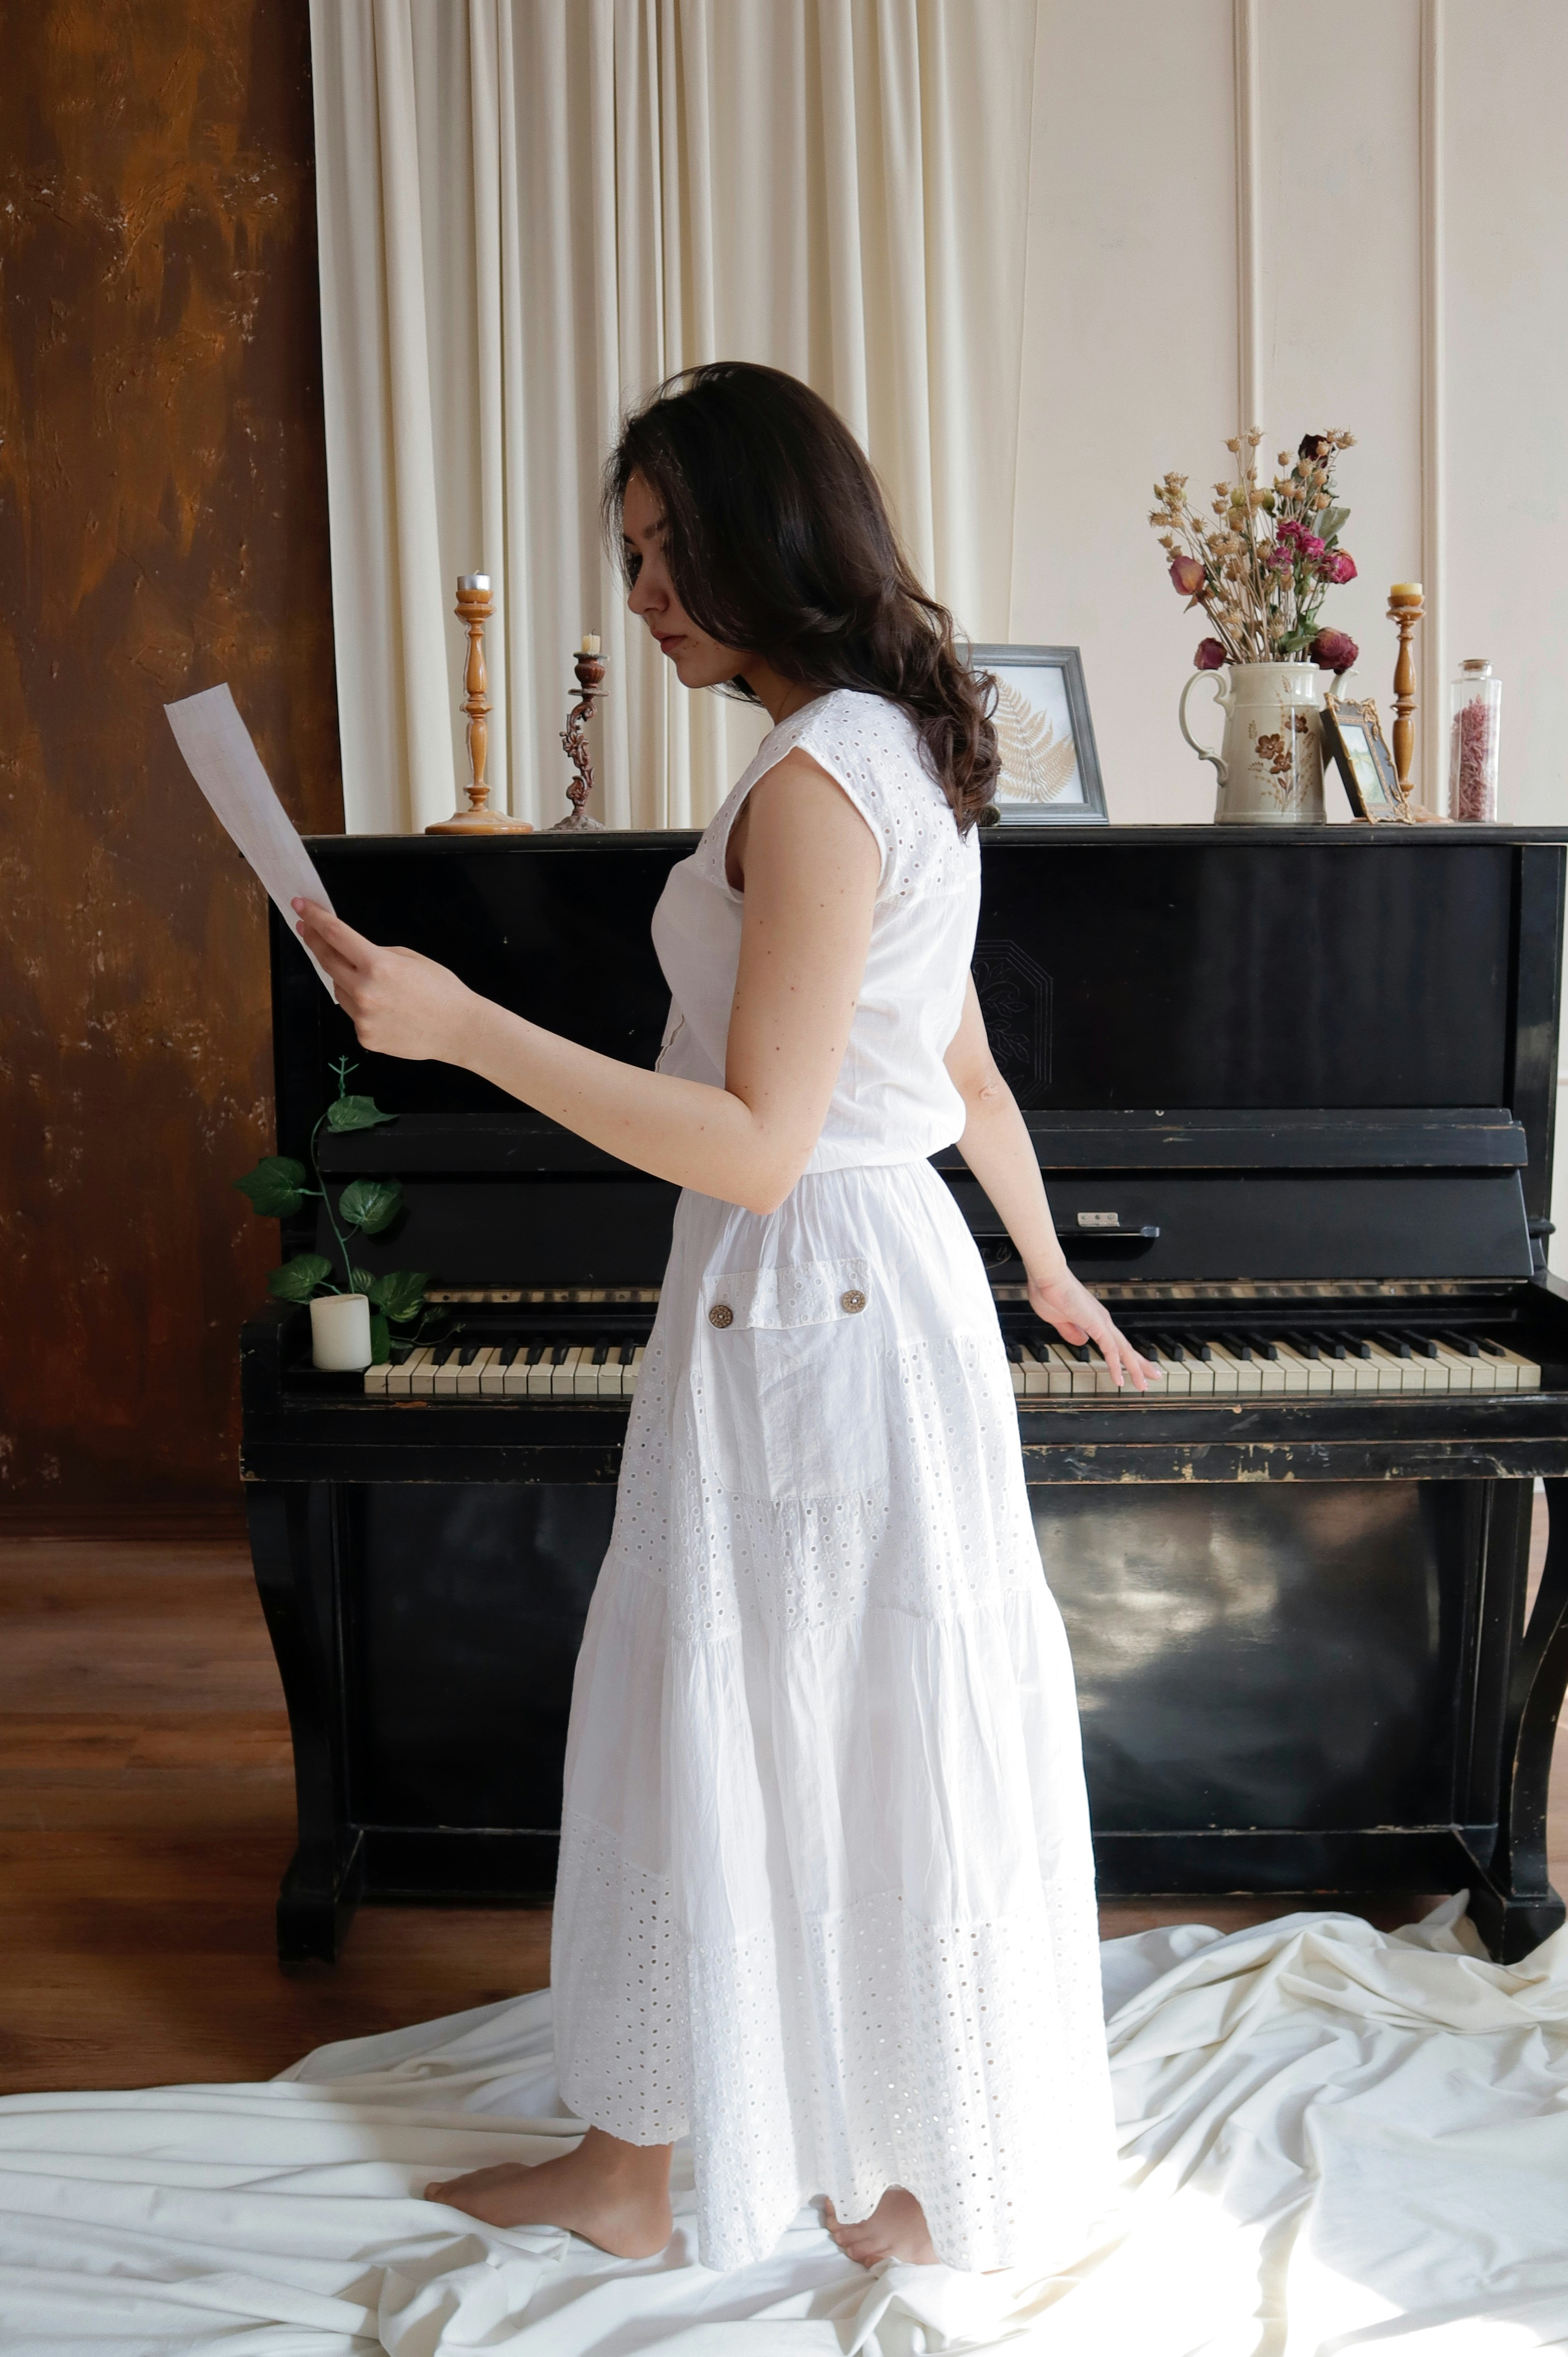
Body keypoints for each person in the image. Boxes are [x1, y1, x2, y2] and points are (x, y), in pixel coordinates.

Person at [294, 362, 1155, 2278]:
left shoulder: (827, 774)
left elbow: (763, 1146)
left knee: (773, 1708)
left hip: (812, 1298)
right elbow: (960, 1071)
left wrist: (464, 1029)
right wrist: (1041, 1265)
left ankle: (777, 2166)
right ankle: (721, 2156)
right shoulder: (890, 746)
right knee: (803, 1713)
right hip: (860, 1286)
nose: (645, 594)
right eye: (630, 556)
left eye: (669, 549)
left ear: (776, 530)